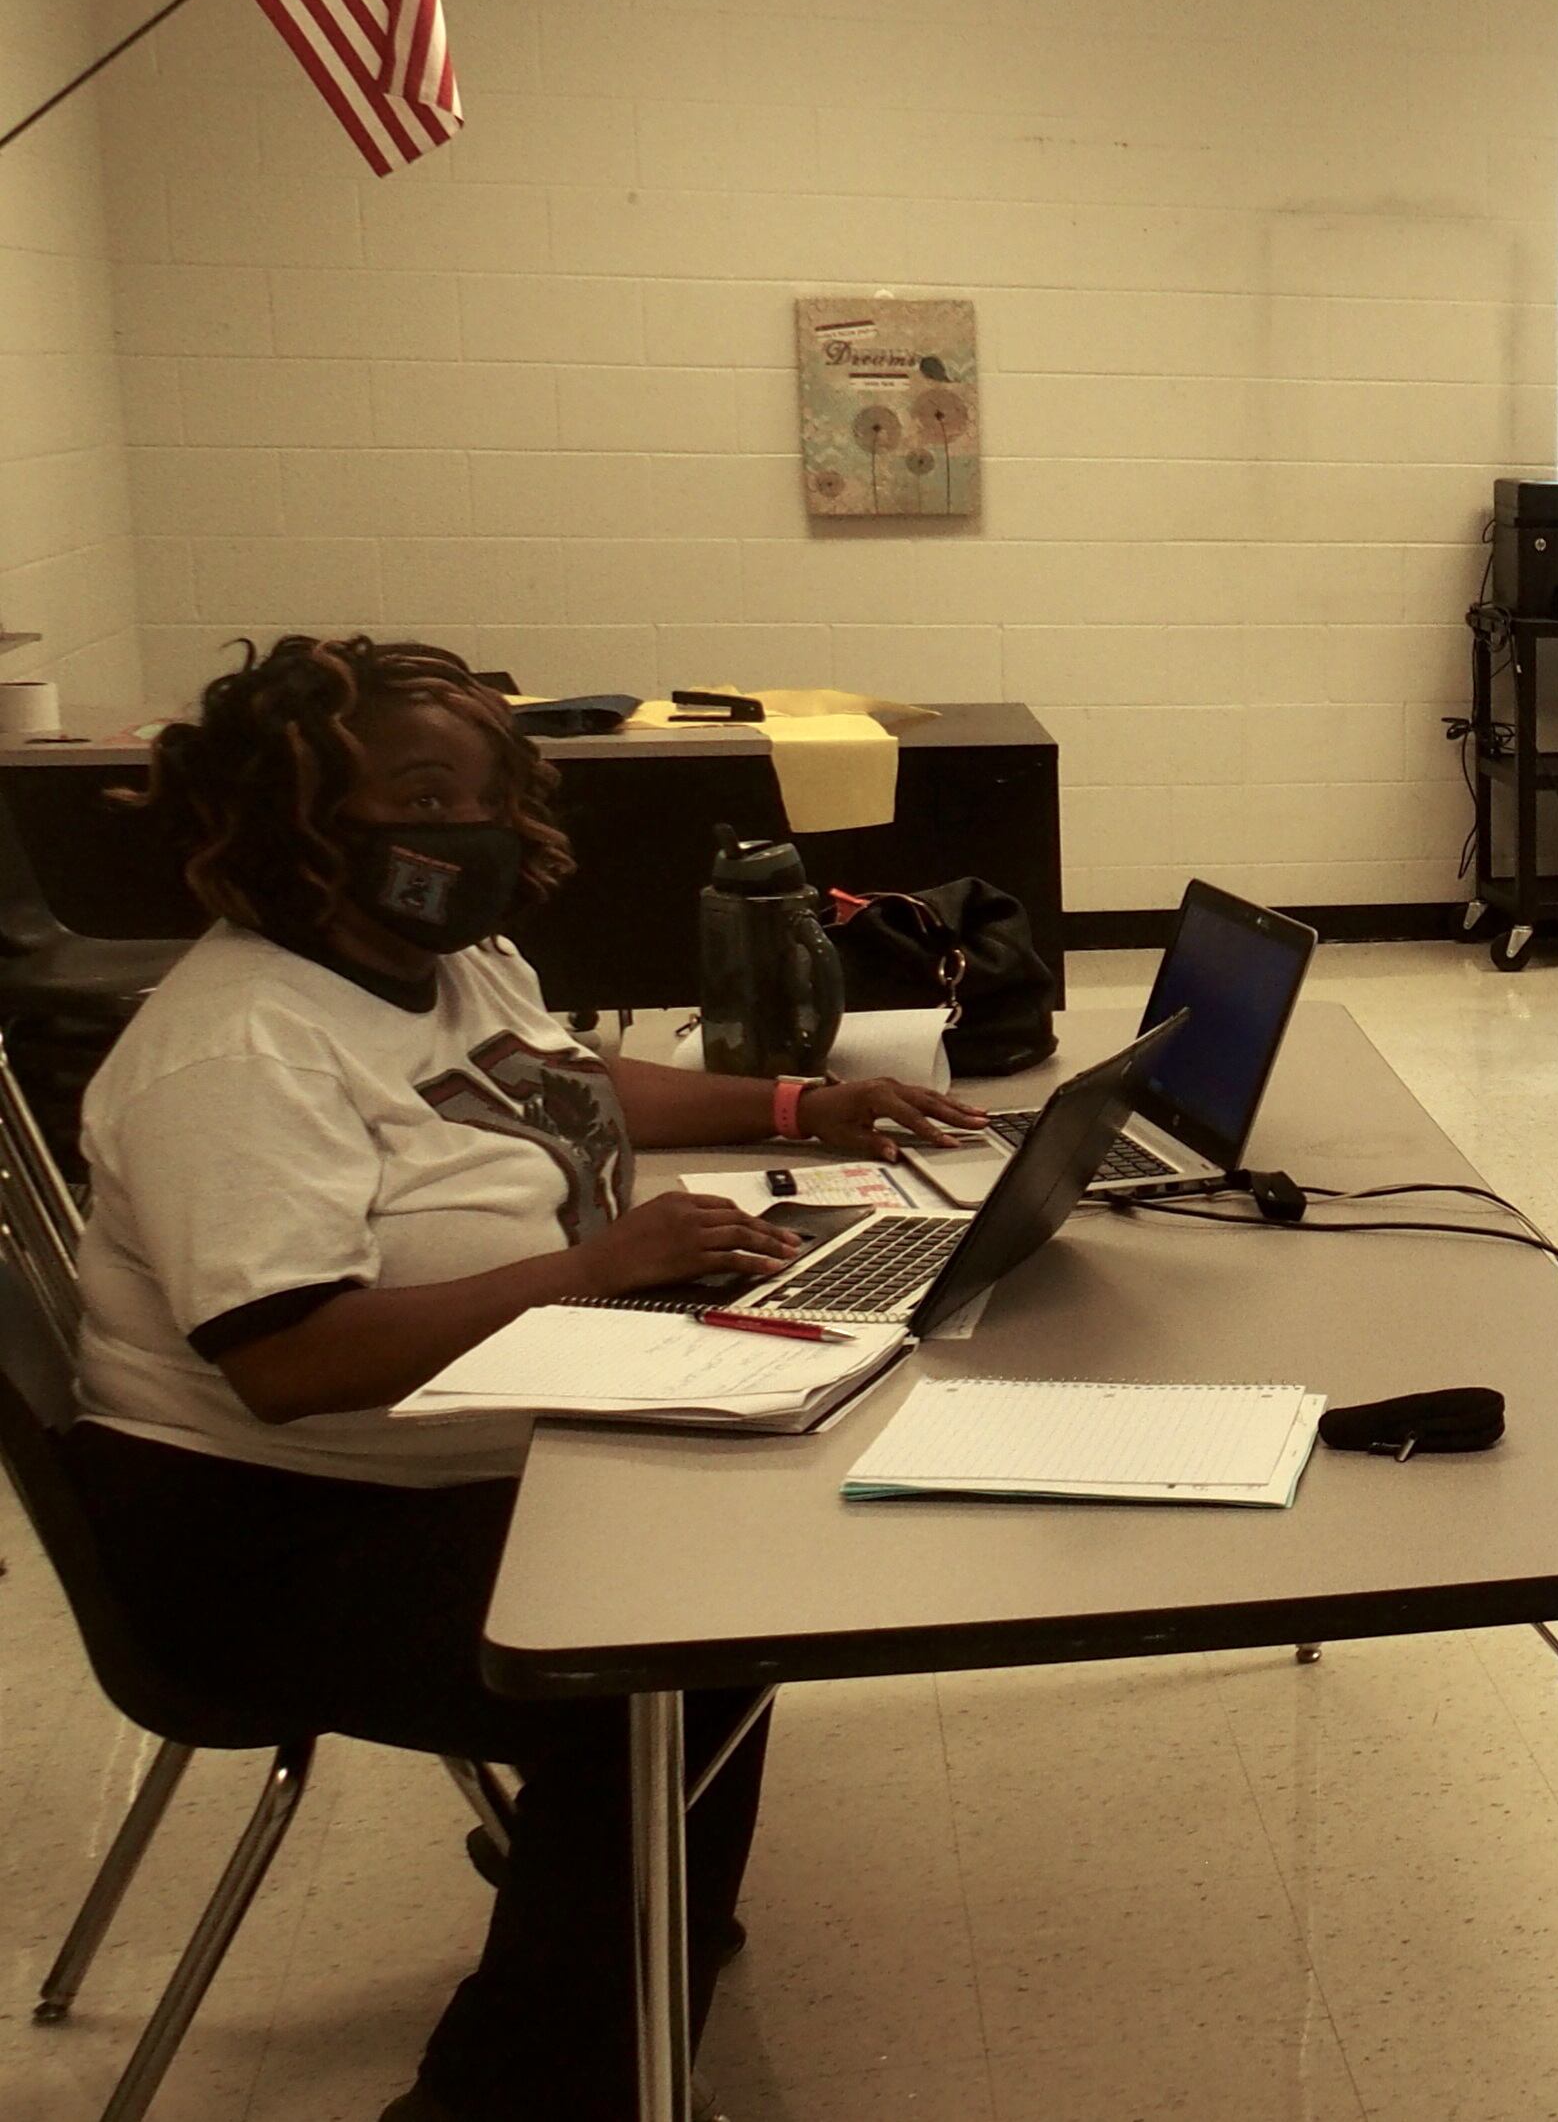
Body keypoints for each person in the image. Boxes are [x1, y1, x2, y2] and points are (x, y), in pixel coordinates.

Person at [61, 635, 985, 2122]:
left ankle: (634, 1918)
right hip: (264, 1538)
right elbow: (289, 1364)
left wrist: (808, 1103)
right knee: (663, 1643)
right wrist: (592, 1267)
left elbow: (571, 1082)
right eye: (425, 793)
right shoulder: (236, 1051)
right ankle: (523, 2078)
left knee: (740, 1559)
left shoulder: (441, 957)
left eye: (491, 789)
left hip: (458, 1444)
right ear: (288, 818)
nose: (474, 827)